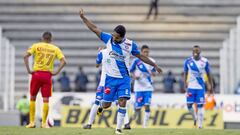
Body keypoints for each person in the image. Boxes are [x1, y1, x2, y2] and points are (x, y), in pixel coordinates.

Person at [79, 9, 162, 134]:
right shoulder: (108, 39)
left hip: (124, 79)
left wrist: (154, 64)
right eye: (113, 35)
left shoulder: (130, 45)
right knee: (106, 105)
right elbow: (95, 28)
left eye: (116, 37)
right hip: (110, 79)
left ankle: (118, 129)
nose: (113, 38)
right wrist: (83, 18)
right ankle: (101, 107)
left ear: (122, 37)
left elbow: (141, 56)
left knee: (122, 101)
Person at [23, 31, 66, 128]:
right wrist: (56, 72)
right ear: (51, 39)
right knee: (46, 100)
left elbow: (25, 56)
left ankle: (32, 122)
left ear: (42, 38)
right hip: (47, 75)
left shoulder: (36, 46)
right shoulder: (55, 48)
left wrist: (29, 70)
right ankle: (43, 123)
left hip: (36, 74)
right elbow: (64, 61)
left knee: (32, 98)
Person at [184, 45, 213, 129]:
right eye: (194, 51)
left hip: (200, 87)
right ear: (192, 52)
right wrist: (185, 84)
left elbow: (209, 74)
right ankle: (195, 118)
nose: (196, 52)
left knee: (200, 105)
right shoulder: (188, 61)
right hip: (191, 86)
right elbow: (185, 73)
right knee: (189, 105)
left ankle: (200, 126)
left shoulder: (205, 61)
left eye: (197, 51)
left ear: (200, 51)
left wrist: (211, 86)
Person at [128, 45, 157, 128]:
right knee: (137, 108)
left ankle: (145, 126)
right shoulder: (136, 61)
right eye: (144, 52)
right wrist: (134, 77)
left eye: (147, 52)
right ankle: (128, 124)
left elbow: (154, 73)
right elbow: (130, 72)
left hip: (148, 87)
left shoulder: (152, 61)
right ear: (141, 52)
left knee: (147, 105)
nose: (146, 53)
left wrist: (151, 73)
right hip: (139, 88)